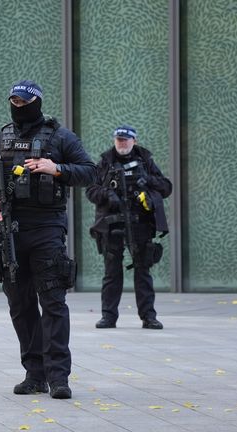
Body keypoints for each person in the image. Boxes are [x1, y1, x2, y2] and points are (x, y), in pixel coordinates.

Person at [0, 80, 96, 400]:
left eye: (24, 102)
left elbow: (90, 172)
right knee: (20, 304)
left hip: (47, 229)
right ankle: (34, 374)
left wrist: (57, 169)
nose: (18, 106)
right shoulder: (0, 137)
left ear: (36, 103)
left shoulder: (60, 136)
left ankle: (58, 378)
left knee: (53, 302)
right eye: (13, 101)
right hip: (9, 230)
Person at [86, 125, 172, 330]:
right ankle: (108, 317)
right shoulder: (105, 162)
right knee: (111, 273)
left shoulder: (145, 161)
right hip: (112, 224)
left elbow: (166, 186)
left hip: (140, 223)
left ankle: (148, 317)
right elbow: (90, 190)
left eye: (125, 140)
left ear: (134, 140)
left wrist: (147, 181)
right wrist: (108, 195)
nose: (122, 143)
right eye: (119, 140)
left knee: (143, 271)